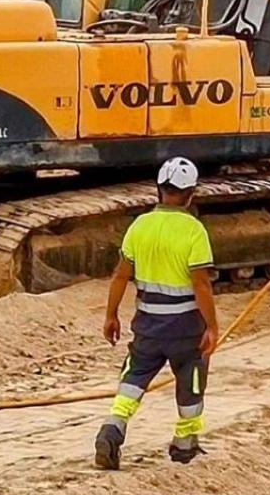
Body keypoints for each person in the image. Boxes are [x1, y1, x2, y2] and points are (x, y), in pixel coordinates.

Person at [94, 157, 220, 470]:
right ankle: (184, 442)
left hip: (148, 324)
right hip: (185, 326)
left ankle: (114, 426)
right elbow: (201, 285)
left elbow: (120, 275)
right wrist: (212, 327)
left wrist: (111, 315)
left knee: (134, 375)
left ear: (159, 189)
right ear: (191, 193)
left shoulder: (140, 226)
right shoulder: (194, 231)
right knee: (190, 377)